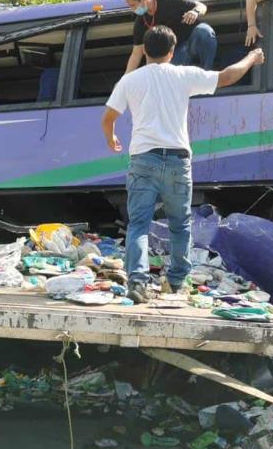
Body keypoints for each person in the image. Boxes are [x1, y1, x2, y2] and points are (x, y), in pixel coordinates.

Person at [101, 26, 263, 303]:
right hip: (177, 161)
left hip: (143, 159)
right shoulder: (182, 74)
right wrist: (252, 58)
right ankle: (176, 282)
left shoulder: (130, 80)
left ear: (145, 51)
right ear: (172, 51)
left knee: (139, 224)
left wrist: (111, 137)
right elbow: (225, 77)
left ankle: (137, 283)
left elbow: (108, 117)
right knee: (180, 224)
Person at [122, 0, 217, 74]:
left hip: (192, 40)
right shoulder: (141, 22)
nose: (133, 9)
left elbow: (201, 6)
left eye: (133, 5)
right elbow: (136, 54)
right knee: (166, 68)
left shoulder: (170, 0)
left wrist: (195, 12)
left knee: (204, 32)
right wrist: (124, 79)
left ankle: (206, 73)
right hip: (175, 53)